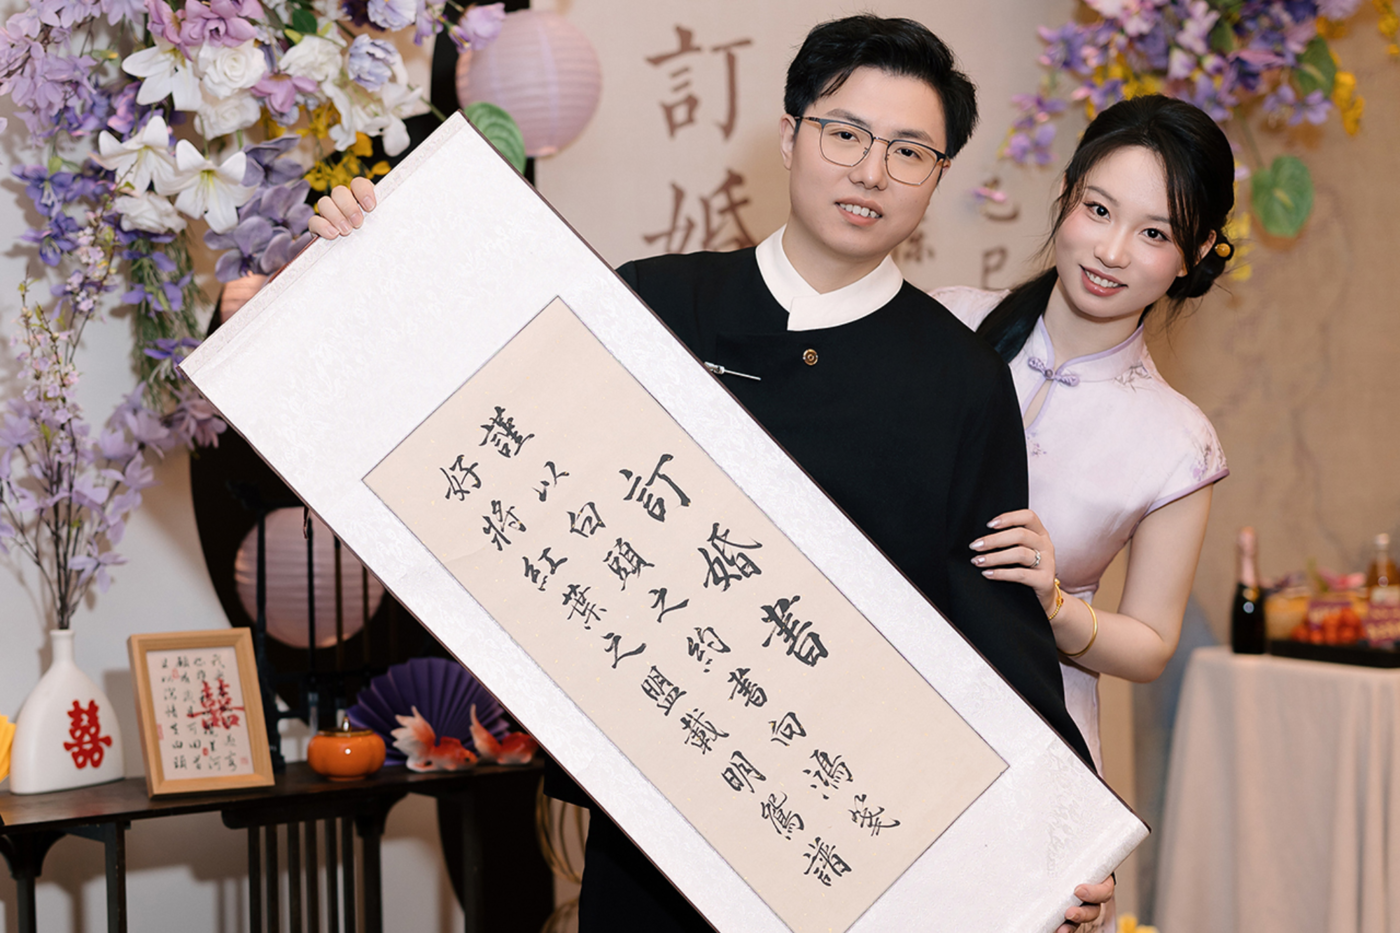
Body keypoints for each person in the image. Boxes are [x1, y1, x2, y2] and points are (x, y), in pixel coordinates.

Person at [310, 15, 1115, 930]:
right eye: (845, 134)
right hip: (654, 817)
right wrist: (359, 260)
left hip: (839, 832)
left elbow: (996, 632)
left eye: (909, 151)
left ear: (937, 175)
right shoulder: (656, 300)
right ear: (790, 134)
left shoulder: (962, 380)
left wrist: (1064, 841)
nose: (870, 172)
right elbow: (479, 416)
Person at [936, 94, 1234, 776]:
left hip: (1032, 747)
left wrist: (1055, 605)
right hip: (877, 696)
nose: (1112, 251)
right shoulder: (947, 322)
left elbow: (1151, 644)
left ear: (1195, 254)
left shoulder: (1181, 442)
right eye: (1098, 210)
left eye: (1154, 233)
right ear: (1066, 193)